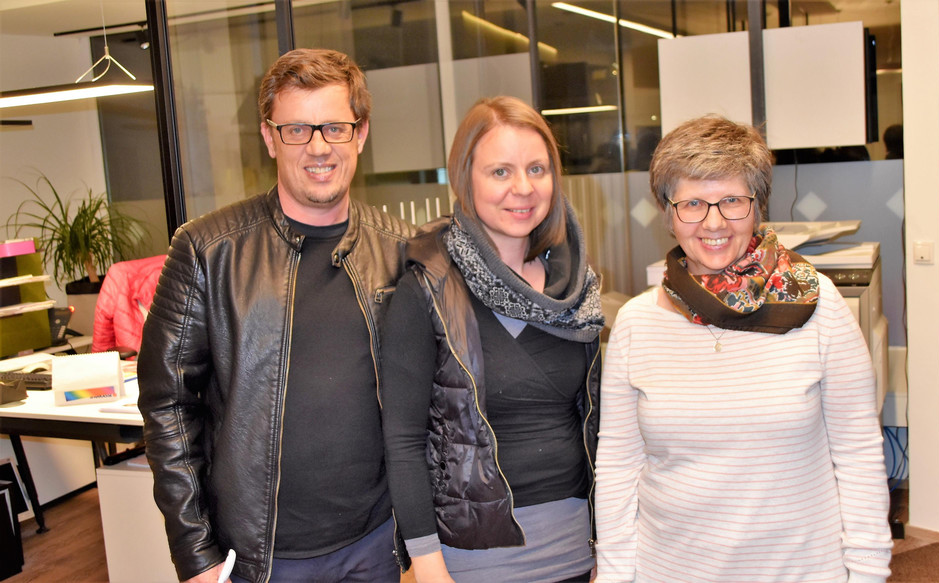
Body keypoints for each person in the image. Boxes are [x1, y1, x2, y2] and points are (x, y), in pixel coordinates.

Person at [138, 48, 415, 583]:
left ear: (360, 134)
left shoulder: (402, 250)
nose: (318, 147)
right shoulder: (208, 251)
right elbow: (167, 405)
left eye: (335, 127)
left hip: (375, 545)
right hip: (258, 559)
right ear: (269, 138)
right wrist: (194, 552)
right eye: (296, 130)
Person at [594, 114, 892, 583]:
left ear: (757, 207)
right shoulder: (636, 323)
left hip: (800, 571)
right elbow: (618, 465)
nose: (713, 222)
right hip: (669, 570)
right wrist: (615, 574)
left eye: (732, 200)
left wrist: (869, 571)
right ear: (668, 214)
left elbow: (857, 453)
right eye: (692, 203)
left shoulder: (820, 306)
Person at [380, 96, 605, 583]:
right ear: (466, 179)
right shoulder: (427, 289)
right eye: (500, 171)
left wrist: (607, 547)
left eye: (536, 169)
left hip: (580, 552)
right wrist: (427, 564)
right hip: (475, 561)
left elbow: (596, 425)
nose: (523, 188)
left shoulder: (577, 290)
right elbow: (402, 440)